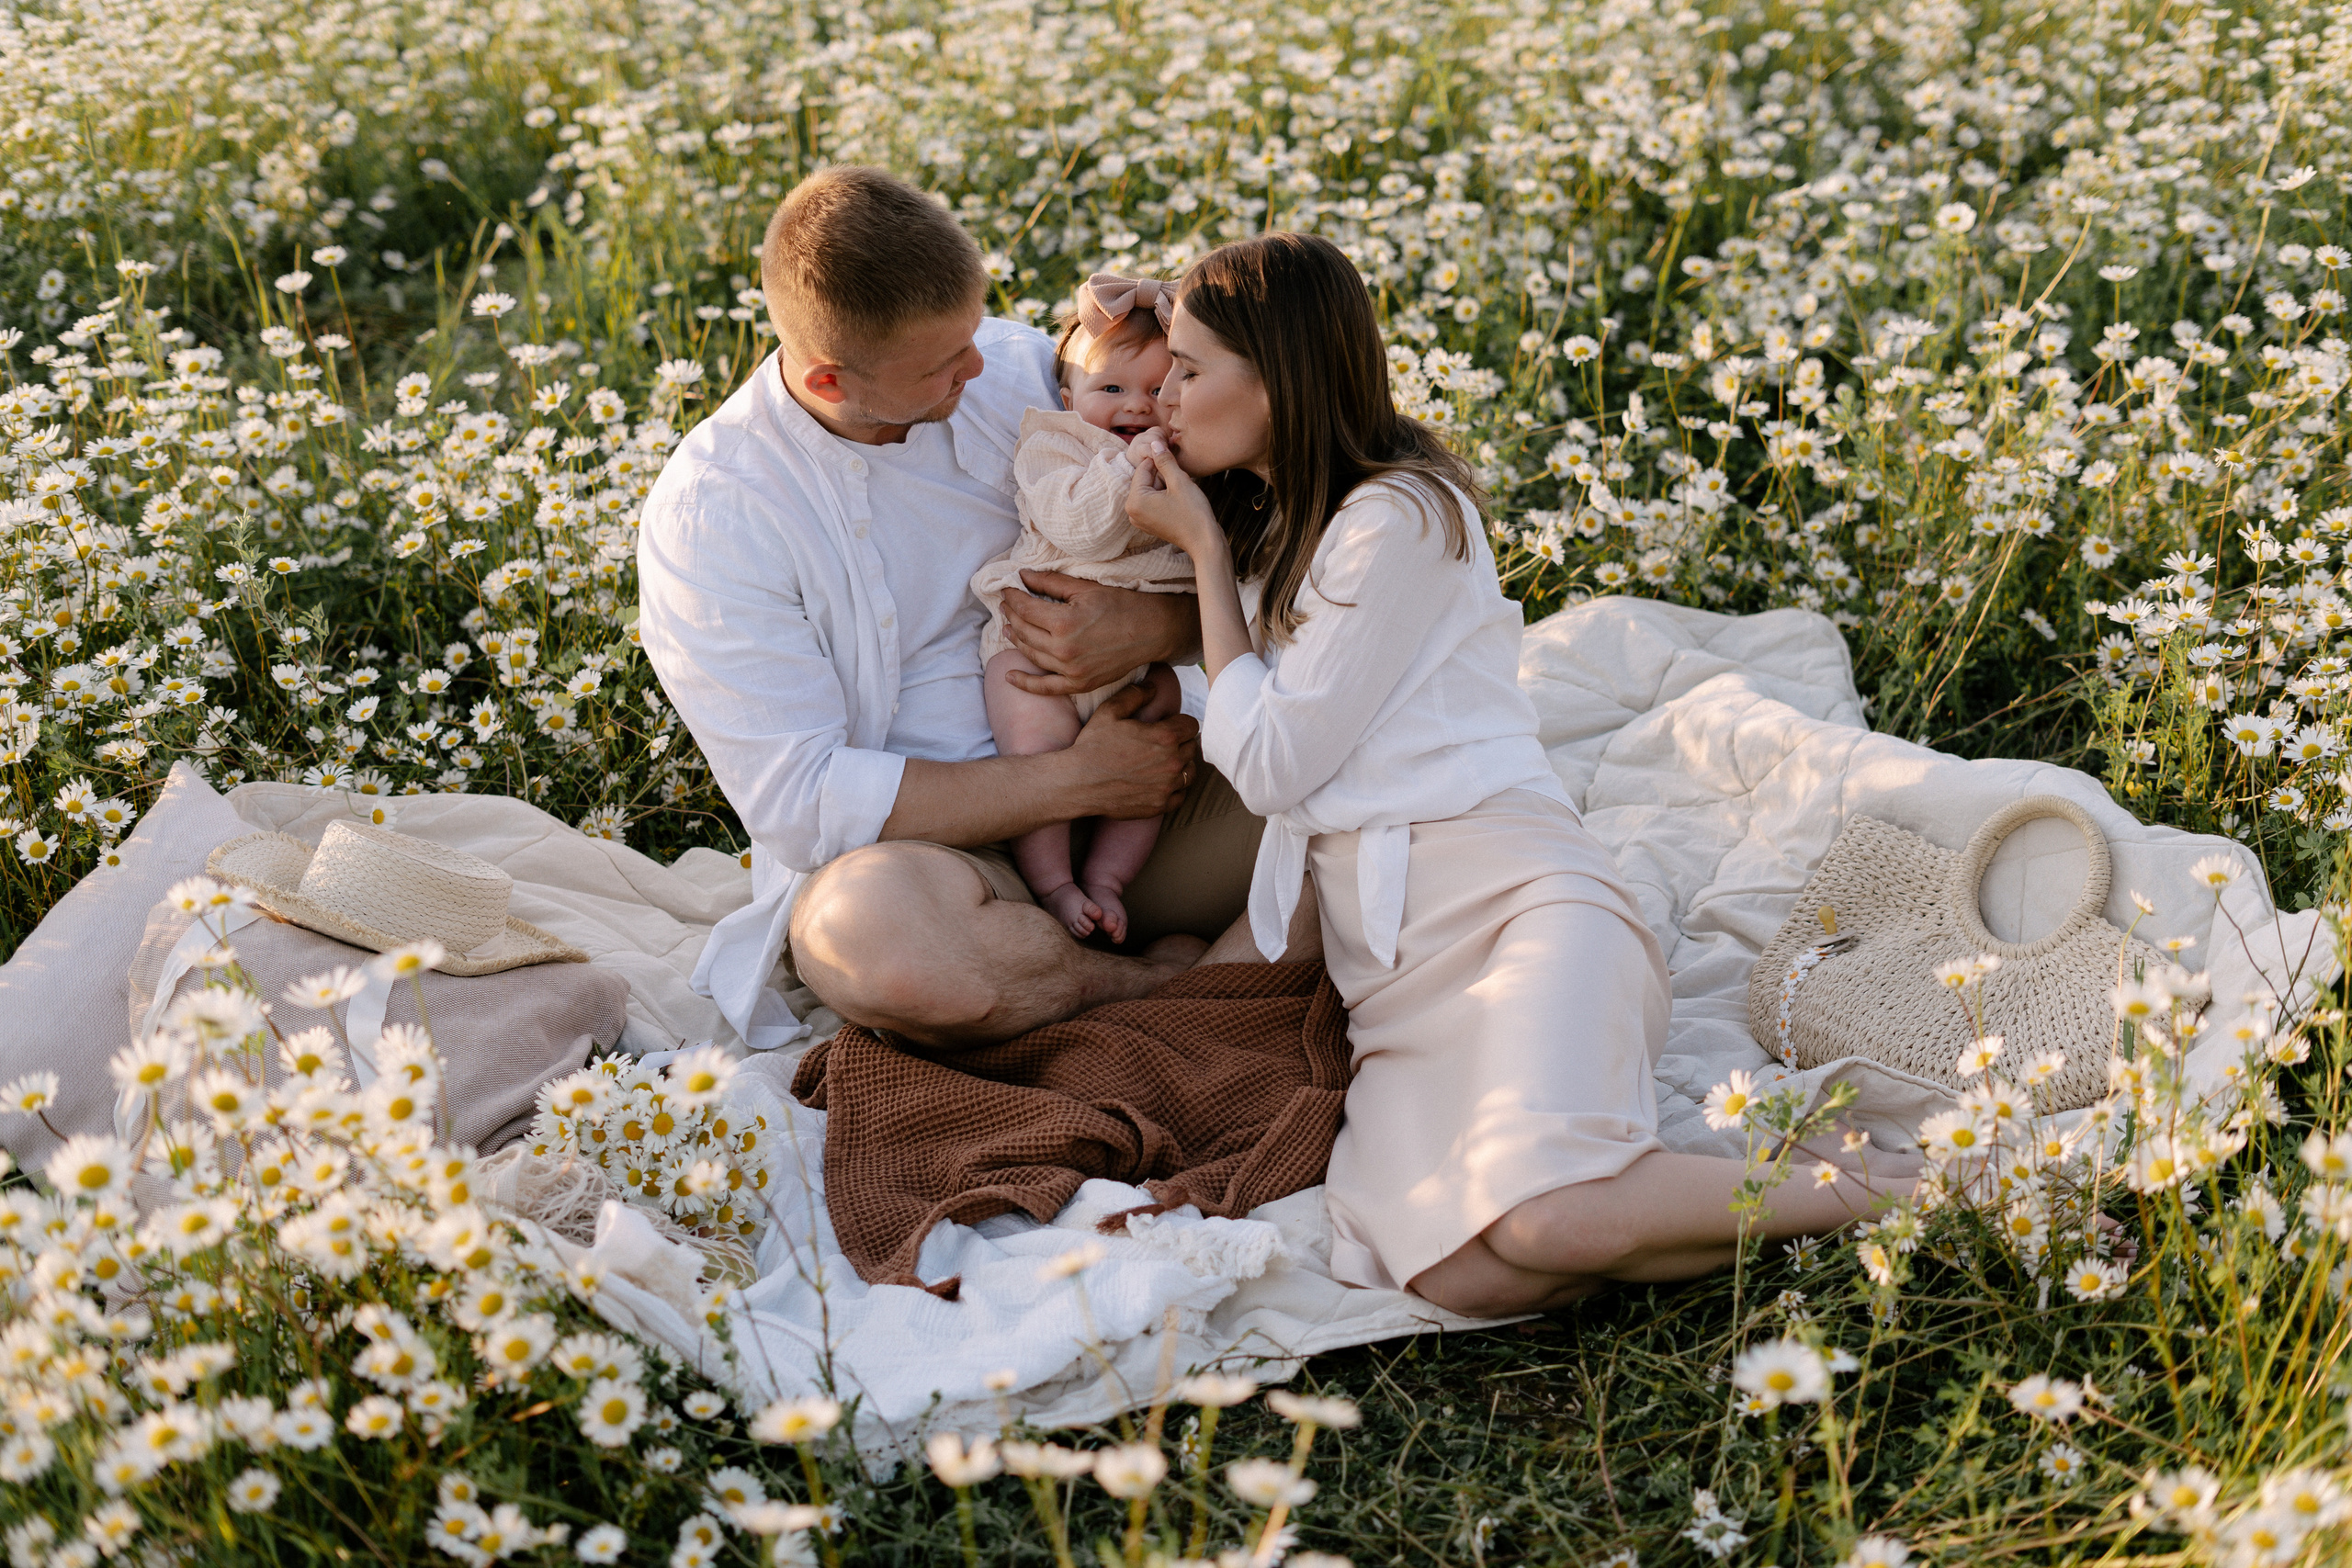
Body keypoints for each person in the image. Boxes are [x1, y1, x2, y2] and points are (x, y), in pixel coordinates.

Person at [1117, 232, 1913, 1318]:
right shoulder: (1288, 517)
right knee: (1457, 1271)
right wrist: (1140, 309)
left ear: (1283, 381)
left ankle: (1914, 1189)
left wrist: (1205, 556)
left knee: (1546, 1220)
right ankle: (1720, 1197)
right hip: (1397, 979)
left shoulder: (1397, 516)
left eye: (1190, 371)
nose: (1163, 396)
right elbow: (1095, 380)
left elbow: (1267, 765)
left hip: (1519, 905)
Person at [636, 167, 1270, 1055]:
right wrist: (1080, 780)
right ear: (827, 377)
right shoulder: (716, 516)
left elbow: (1247, 518)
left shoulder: (1018, 369)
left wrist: (1156, 630)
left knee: (1378, 779)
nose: (984, 366)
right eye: (943, 364)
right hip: (945, 865)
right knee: (862, 941)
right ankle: (1170, 986)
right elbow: (803, 799)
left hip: (1154, 787)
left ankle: (1087, 982)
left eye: (974, 334)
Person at [969, 274, 1198, 944]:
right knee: (1038, 753)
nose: (1137, 408)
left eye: (1159, 391)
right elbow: (1078, 528)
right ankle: (1053, 882)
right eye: (1113, 390)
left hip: (1135, 668)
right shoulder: (1055, 446)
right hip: (1031, 649)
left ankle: (1107, 880)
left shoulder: (1185, 459)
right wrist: (1134, 465)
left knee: (1160, 745)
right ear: (1070, 398)